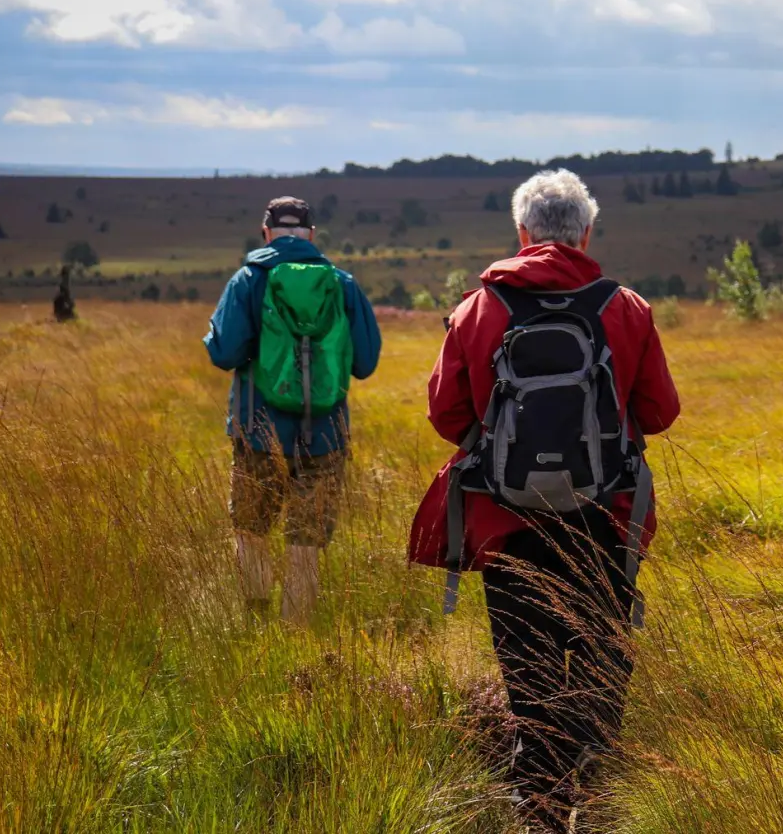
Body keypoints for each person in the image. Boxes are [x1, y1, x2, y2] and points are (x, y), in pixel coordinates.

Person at [410, 169, 679, 831]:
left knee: (528, 673)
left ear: (522, 233)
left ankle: (539, 808)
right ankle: (599, 799)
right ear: (586, 233)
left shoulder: (479, 308)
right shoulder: (626, 308)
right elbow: (662, 412)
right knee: (600, 658)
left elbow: (447, 415)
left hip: (507, 521)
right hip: (605, 520)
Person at [204, 197, 381, 626]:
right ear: (312, 236)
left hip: (257, 431)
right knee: (307, 538)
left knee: (251, 528)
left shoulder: (248, 280)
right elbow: (366, 362)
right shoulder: (342, 283)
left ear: (265, 232)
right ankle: (296, 631)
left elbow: (224, 353)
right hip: (325, 436)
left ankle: (256, 620)